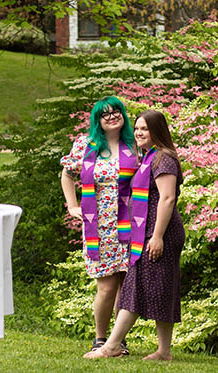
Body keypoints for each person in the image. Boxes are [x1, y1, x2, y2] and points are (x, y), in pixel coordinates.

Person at [83, 109, 185, 361]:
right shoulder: (151, 156)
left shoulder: (163, 159)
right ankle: (163, 351)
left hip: (159, 231)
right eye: (137, 128)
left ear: (157, 131)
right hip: (149, 230)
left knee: (135, 286)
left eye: (144, 129)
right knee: (160, 288)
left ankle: (112, 345)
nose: (138, 133)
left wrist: (158, 236)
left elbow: (168, 197)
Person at [60, 96, 137, 354]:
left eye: (116, 111)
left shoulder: (134, 145)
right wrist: (72, 205)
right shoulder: (87, 145)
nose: (112, 116)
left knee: (125, 284)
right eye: (105, 114)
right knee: (106, 286)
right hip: (99, 226)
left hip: (129, 225)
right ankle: (101, 339)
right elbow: (67, 173)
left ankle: (118, 341)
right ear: (98, 120)